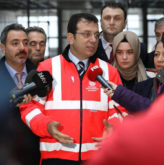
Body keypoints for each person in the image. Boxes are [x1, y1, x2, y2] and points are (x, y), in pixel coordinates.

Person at [19, 13, 127, 165]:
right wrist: (47, 126)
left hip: (98, 157)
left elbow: (119, 109)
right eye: (86, 34)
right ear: (70, 38)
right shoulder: (47, 68)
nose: (93, 40)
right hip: (56, 158)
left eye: (96, 35)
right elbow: (29, 108)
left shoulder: (109, 71)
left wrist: (114, 127)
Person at [85, 32, 164, 165]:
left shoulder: (154, 79)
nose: (124, 57)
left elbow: (155, 111)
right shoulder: (106, 74)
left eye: (130, 52)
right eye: (119, 52)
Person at [104, 23, 164, 112]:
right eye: (156, 54)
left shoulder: (160, 78)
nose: (161, 59)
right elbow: (154, 108)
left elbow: (159, 112)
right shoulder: (160, 79)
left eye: (130, 52)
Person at [0, 23, 40, 165]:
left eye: (25, 43)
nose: (22, 48)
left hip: (36, 152)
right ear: (3, 48)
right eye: (15, 43)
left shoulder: (39, 72)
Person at [96, 2, 148, 67]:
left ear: (125, 23)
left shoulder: (139, 48)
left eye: (117, 18)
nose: (111, 22)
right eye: (107, 18)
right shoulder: (91, 46)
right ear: (101, 22)